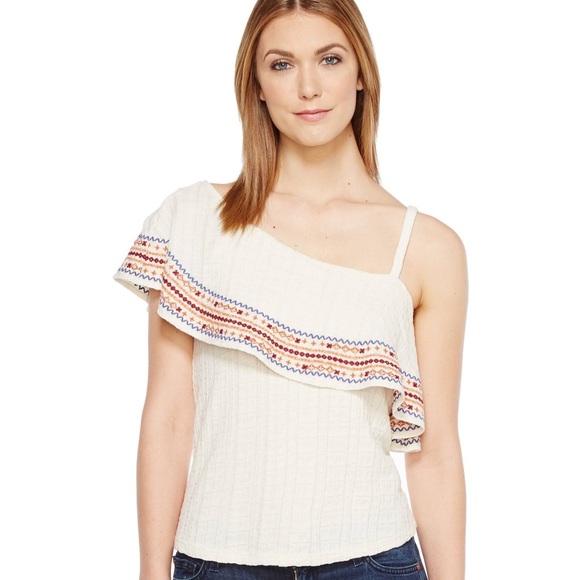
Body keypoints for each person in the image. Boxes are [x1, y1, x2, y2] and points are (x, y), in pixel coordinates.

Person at [115, 0, 467, 578]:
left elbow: (437, 452)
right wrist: (152, 571)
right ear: (255, 85)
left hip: (372, 560)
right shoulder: (194, 221)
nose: (308, 87)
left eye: (330, 59)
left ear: (361, 72)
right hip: (217, 560)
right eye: (281, 65)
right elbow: (169, 417)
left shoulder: (427, 248)